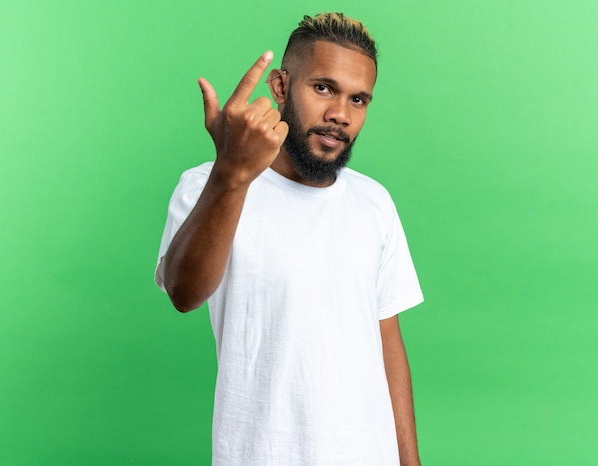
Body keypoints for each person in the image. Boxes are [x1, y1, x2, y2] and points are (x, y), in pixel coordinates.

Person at [155, 12, 424, 466]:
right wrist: (231, 175)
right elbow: (184, 293)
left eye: (359, 100)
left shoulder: (374, 202)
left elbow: (388, 344)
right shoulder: (211, 185)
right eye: (323, 88)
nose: (340, 114)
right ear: (280, 87)